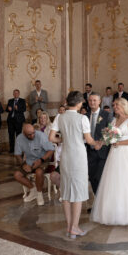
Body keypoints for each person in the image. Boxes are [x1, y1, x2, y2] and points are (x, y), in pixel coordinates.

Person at [50, 91, 101, 239]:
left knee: (65, 191)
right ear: (79, 103)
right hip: (78, 157)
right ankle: (75, 227)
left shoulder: (60, 117)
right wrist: (97, 143)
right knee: (78, 192)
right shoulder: (82, 118)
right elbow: (89, 140)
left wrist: (64, 141)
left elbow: (52, 137)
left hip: (65, 157)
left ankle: (68, 227)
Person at [13, 123, 55, 206]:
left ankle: (39, 194)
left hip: (43, 159)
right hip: (29, 161)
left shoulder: (41, 136)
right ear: (24, 134)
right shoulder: (19, 138)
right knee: (17, 175)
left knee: (39, 172)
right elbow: (17, 154)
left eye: (33, 133)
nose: (32, 135)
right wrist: (23, 164)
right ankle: (33, 190)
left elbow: (51, 150)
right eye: (29, 134)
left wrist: (41, 160)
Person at [83, 93, 114, 194]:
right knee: (92, 177)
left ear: (99, 101)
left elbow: (112, 133)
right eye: (90, 100)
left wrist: (101, 143)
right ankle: (97, 203)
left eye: (94, 100)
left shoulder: (107, 114)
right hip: (89, 151)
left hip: (103, 152)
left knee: (99, 177)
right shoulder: (85, 116)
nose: (92, 102)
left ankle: (103, 201)